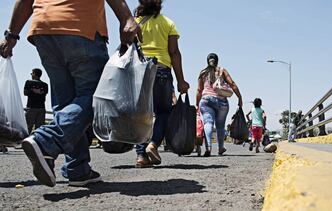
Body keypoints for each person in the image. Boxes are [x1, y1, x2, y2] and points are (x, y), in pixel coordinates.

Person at [0, 0, 141, 187]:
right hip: (80, 27)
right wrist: (126, 18)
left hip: (43, 29)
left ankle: (78, 169)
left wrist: (11, 35)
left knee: (65, 102)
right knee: (98, 97)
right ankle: (44, 141)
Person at [134, 0, 190, 168]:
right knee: (163, 112)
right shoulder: (168, 23)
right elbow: (174, 53)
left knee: (141, 114)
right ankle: (154, 144)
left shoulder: (134, 23)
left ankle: (141, 156)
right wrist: (181, 80)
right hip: (161, 71)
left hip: (139, 72)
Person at [196, 53, 243, 157]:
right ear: (217, 61)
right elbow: (232, 84)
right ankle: (220, 148)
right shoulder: (222, 71)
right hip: (221, 101)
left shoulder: (203, 73)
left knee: (208, 123)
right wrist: (239, 97)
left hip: (206, 100)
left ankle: (208, 148)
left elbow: (199, 90)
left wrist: (196, 104)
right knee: (220, 126)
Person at [24, 68, 48, 134]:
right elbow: (44, 93)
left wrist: (33, 90)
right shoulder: (45, 85)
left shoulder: (29, 82)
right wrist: (38, 91)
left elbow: (25, 93)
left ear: (34, 74)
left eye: (32, 73)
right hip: (41, 108)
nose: (31, 75)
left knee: (27, 128)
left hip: (31, 107)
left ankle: (24, 143)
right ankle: (35, 143)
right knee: (39, 130)